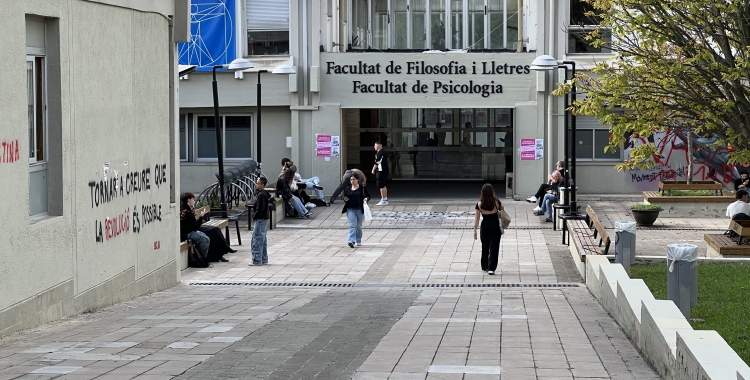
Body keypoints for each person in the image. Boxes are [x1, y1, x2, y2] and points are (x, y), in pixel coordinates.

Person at [473, 184, 503, 275]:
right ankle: (491, 268)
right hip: (495, 225)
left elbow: (477, 218)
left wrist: (475, 230)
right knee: (494, 247)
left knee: (485, 246)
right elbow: (502, 208)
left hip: (485, 225)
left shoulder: (479, 203)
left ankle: (485, 265)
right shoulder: (496, 201)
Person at [342, 172, 370, 248]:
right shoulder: (347, 188)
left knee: (358, 226)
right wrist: (345, 199)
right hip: (350, 209)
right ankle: (351, 240)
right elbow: (345, 197)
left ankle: (358, 240)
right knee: (352, 225)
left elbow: (368, 196)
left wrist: (366, 199)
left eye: (354, 179)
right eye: (351, 179)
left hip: (360, 209)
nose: (352, 181)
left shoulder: (362, 188)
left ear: (357, 179)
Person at [250, 177, 271, 266]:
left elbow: (260, 208)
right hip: (264, 220)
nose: (256, 185)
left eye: (258, 183)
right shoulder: (264, 194)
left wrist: (254, 216)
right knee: (262, 239)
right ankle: (263, 258)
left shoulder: (261, 195)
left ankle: (257, 259)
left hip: (260, 219)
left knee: (257, 239)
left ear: (262, 185)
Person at [372, 141, 389, 205]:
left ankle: (383, 199)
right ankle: (384, 199)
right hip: (382, 171)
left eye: (375, 145)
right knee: (382, 184)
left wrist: (373, 169)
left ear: (378, 146)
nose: (374, 147)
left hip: (382, 171)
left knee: (381, 184)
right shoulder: (379, 153)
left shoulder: (381, 153)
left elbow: (378, 162)